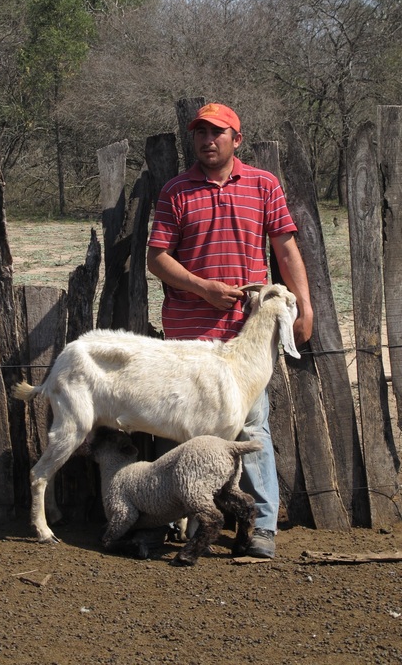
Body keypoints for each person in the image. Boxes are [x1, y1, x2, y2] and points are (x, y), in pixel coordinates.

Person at [146, 101, 313, 558]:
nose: (207, 140)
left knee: (251, 425)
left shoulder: (263, 184)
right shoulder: (176, 191)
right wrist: (202, 289)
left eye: (217, 132)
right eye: (200, 133)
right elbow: (156, 258)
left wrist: (304, 306)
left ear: (236, 139)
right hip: (187, 335)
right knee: (173, 427)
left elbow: (286, 249)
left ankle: (261, 527)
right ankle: (168, 518)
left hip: (244, 336)